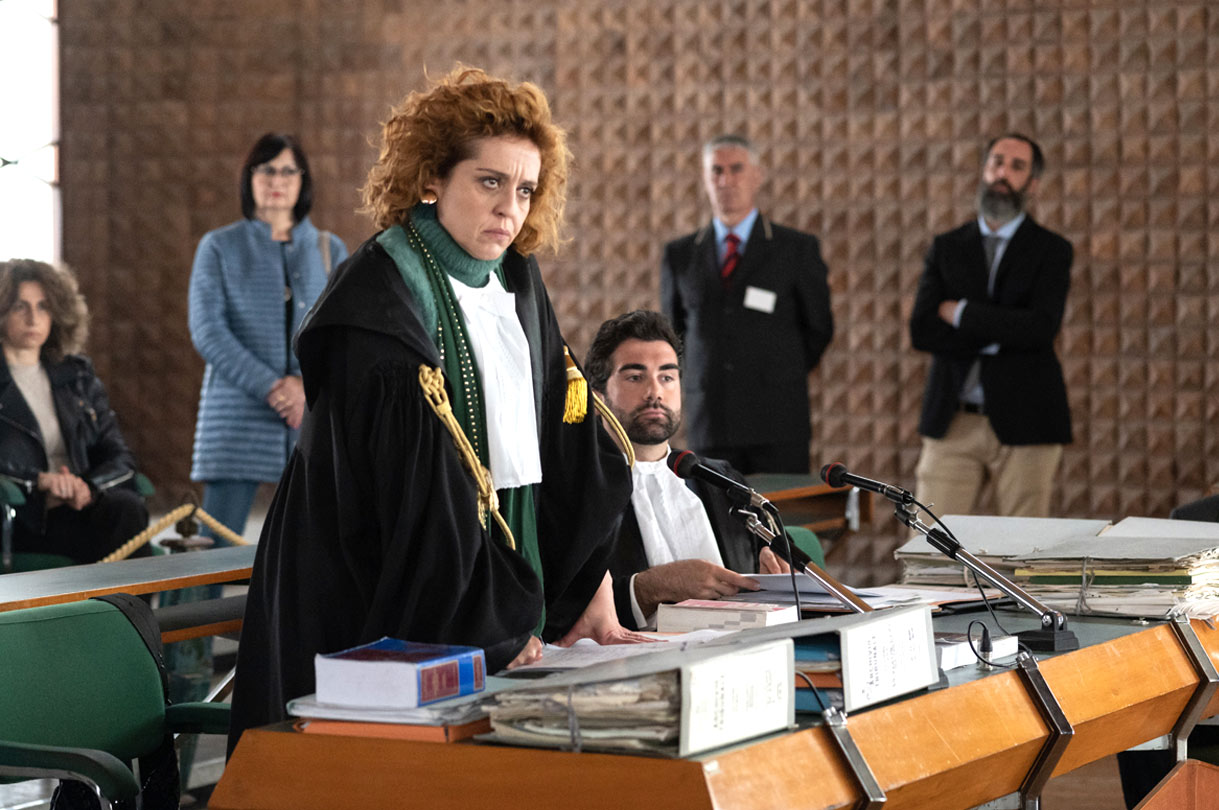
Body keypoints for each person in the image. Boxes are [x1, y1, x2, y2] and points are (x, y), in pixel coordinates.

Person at [229, 67, 639, 748]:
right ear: (430, 179)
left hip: (495, 579)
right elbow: (414, 503)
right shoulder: (379, 297)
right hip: (389, 589)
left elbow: (561, 435)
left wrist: (586, 577)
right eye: (489, 182)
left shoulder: (516, 278)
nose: (509, 208)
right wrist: (494, 626)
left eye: (524, 189)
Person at [585, 310, 791, 630]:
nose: (655, 392)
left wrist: (775, 579)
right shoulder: (577, 491)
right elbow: (557, 610)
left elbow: (772, 570)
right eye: (635, 377)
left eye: (667, 377)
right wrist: (646, 590)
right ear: (598, 397)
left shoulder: (722, 481)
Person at [188, 132, 347, 544]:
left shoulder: (330, 249)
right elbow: (208, 331)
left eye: (289, 171)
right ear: (250, 178)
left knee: (313, 547)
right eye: (267, 170)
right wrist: (274, 387)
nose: (278, 180)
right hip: (236, 415)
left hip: (309, 415)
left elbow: (342, 334)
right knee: (214, 547)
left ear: (303, 180)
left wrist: (303, 386)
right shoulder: (219, 247)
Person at [909, 133, 1073, 518]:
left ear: (1032, 184)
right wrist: (1004, 331)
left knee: (1023, 546)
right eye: (997, 162)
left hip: (1028, 419)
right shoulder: (947, 246)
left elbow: (1040, 329)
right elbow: (922, 330)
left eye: (1017, 166)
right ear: (984, 170)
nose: (1003, 173)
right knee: (929, 540)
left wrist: (962, 314)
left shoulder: (1052, 250)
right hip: (953, 420)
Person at [661, 134, 833, 476]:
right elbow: (673, 335)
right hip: (710, 422)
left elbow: (818, 329)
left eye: (736, 169)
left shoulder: (795, 250)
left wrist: (776, 371)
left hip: (777, 423)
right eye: (716, 171)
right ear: (705, 179)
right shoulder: (680, 255)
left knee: (781, 511)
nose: (726, 180)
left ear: (757, 176)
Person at [0, 259, 148, 565]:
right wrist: (40, 482)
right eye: (19, 307)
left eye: (43, 307)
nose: (33, 318)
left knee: (126, 509)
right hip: (22, 516)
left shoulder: (78, 376)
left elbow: (119, 457)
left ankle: (140, 601)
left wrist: (87, 487)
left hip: (80, 506)